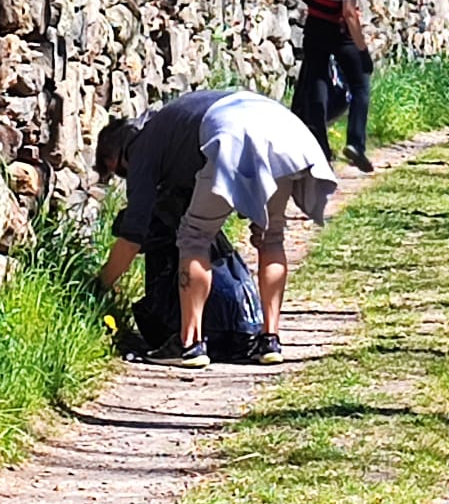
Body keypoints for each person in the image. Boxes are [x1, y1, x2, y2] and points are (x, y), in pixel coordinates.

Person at [94, 87, 337, 371]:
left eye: (118, 171)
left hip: (235, 135)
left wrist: (99, 287)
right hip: (282, 127)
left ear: (117, 154)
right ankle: (269, 340)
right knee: (271, 238)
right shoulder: (175, 124)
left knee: (194, 238)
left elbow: (133, 236)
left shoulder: (140, 147)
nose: (126, 175)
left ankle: (189, 344)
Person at [292, 0, 378, 173]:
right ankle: (355, 143)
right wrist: (362, 50)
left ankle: (319, 144)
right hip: (339, 31)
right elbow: (349, 12)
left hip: (315, 28)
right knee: (360, 83)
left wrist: (319, 5)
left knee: (317, 80)